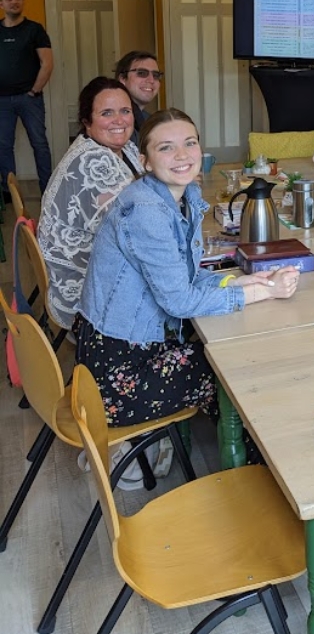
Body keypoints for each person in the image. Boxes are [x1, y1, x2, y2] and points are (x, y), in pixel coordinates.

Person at [75, 108, 299, 425]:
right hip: (118, 374)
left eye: (190, 143)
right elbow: (179, 301)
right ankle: (260, 447)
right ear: (145, 161)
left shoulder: (181, 195)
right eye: (166, 147)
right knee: (238, 361)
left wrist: (242, 283)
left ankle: (250, 435)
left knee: (236, 346)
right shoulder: (146, 211)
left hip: (140, 343)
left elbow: (183, 275)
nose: (182, 155)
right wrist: (263, 293)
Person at [38, 77, 144, 331]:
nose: (119, 120)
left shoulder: (125, 148)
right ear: (87, 121)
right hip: (85, 295)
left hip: (98, 269)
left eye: (125, 111)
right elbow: (139, 227)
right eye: (107, 113)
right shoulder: (92, 160)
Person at [0, 0, 54, 199]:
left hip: (30, 99)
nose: (14, 2)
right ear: (1, 4)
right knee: (3, 147)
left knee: (39, 144)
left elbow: (47, 63)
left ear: (22, 1)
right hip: (2, 101)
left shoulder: (35, 30)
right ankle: (10, 193)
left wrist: (34, 91)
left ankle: (48, 190)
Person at [115, 50, 163, 140]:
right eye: (142, 73)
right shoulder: (114, 119)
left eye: (156, 75)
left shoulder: (150, 120)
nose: (151, 80)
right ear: (123, 79)